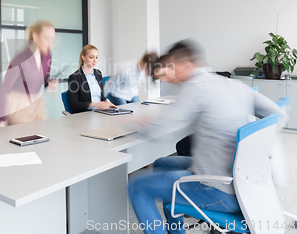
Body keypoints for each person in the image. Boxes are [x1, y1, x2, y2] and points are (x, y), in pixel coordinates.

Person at [127, 40, 287, 234]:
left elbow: (159, 129)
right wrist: (254, 152)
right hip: (245, 183)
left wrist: (133, 121)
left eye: (172, 68)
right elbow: (280, 115)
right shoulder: (235, 84)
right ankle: (175, 230)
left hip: (219, 189)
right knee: (163, 163)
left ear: (186, 65)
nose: (171, 74)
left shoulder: (194, 88)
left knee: (137, 186)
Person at [0, 19, 58, 126]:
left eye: (52, 39)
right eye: (46, 38)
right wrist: (2, 119)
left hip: (37, 103)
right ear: (35, 37)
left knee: (46, 136)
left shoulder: (47, 55)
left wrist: (50, 84)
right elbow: (4, 88)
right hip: (18, 105)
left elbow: (44, 80)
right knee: (27, 137)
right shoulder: (21, 58)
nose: (50, 42)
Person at [68, 44, 117, 113]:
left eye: (96, 57)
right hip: (86, 114)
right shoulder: (75, 77)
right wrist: (96, 105)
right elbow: (74, 104)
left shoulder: (98, 73)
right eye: (91, 57)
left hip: (101, 112)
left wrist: (106, 101)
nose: (95, 60)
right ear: (83, 57)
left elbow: (100, 96)